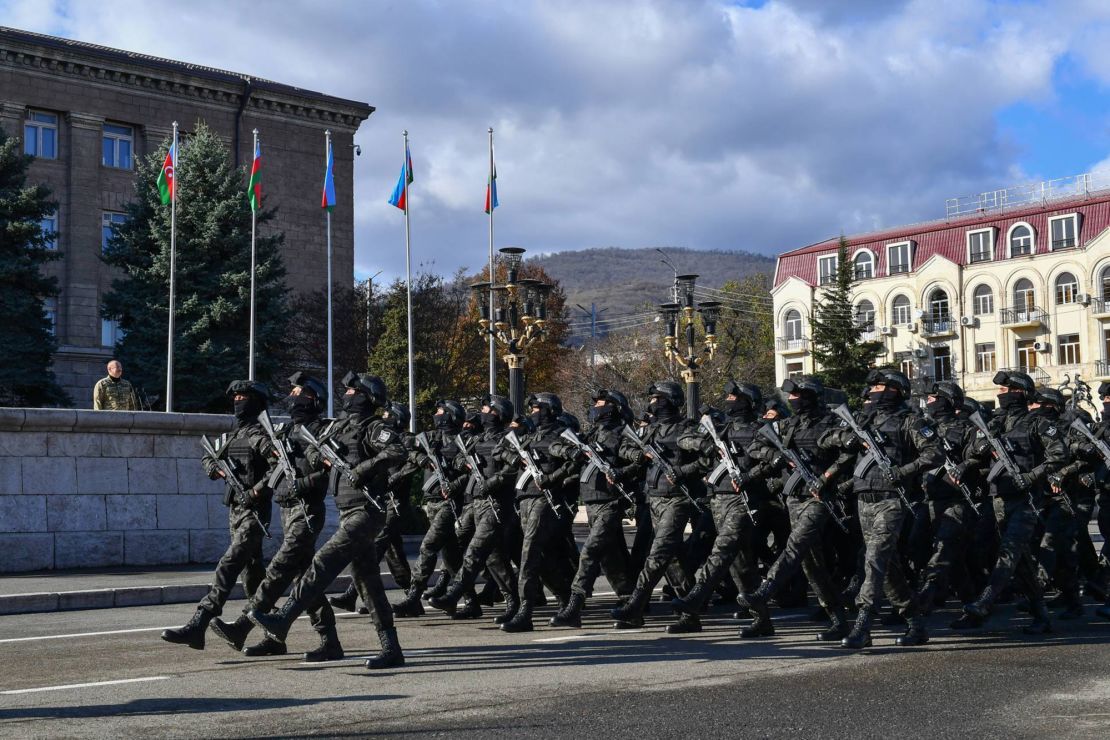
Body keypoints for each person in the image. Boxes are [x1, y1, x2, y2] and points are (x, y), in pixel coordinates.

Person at [249, 372, 408, 670]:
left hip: (367, 511)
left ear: (366, 396)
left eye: (352, 391)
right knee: (368, 583)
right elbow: (313, 447)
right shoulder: (339, 428)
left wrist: (363, 469)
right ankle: (392, 648)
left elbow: (398, 451)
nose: (347, 395)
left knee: (322, 562)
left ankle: (284, 618)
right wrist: (321, 456)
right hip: (349, 510)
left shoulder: (372, 428)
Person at [208, 372, 341, 661]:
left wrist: (302, 483)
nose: (292, 396)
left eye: (298, 392)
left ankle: (243, 626)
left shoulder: (320, 431)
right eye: (291, 391)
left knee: (279, 568)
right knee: (306, 578)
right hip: (287, 510)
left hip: (307, 512)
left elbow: (330, 471)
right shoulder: (286, 431)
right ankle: (325, 640)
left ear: (313, 398)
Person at [161, 380, 274, 649]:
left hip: (253, 513)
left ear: (256, 401)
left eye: (243, 396)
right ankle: (273, 635)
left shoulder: (259, 435)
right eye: (234, 396)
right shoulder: (233, 435)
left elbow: (279, 468)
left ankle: (199, 622)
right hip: (235, 511)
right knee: (253, 575)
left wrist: (256, 492)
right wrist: (217, 469)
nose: (237, 400)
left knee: (228, 564)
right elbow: (207, 456)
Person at [961, 370, 1067, 634]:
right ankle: (1042, 616)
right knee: (1020, 561)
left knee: (1009, 552)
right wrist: (979, 447)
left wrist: (1032, 475)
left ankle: (985, 601)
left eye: (1006, 391)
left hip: (1027, 500)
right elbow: (971, 453)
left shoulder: (1038, 423)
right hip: (998, 497)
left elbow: (1059, 455)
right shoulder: (994, 422)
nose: (1001, 395)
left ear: (1020, 393)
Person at [611, 381, 711, 629]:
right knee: (673, 558)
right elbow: (623, 446)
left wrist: (682, 470)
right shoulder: (650, 430)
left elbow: (708, 457)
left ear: (668, 400)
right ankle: (690, 613)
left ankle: (635, 604)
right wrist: (637, 456)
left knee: (657, 555)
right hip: (653, 498)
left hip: (676, 499)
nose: (652, 402)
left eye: (657, 398)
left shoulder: (685, 429)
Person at [550, 389, 638, 628]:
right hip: (591, 501)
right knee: (611, 557)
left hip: (611, 502)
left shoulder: (622, 434)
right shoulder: (591, 435)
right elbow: (557, 447)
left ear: (614, 407)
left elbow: (638, 459)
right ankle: (631, 603)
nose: (597, 406)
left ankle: (575, 605)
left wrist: (619, 471)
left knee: (590, 551)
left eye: (602, 403)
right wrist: (572, 453)